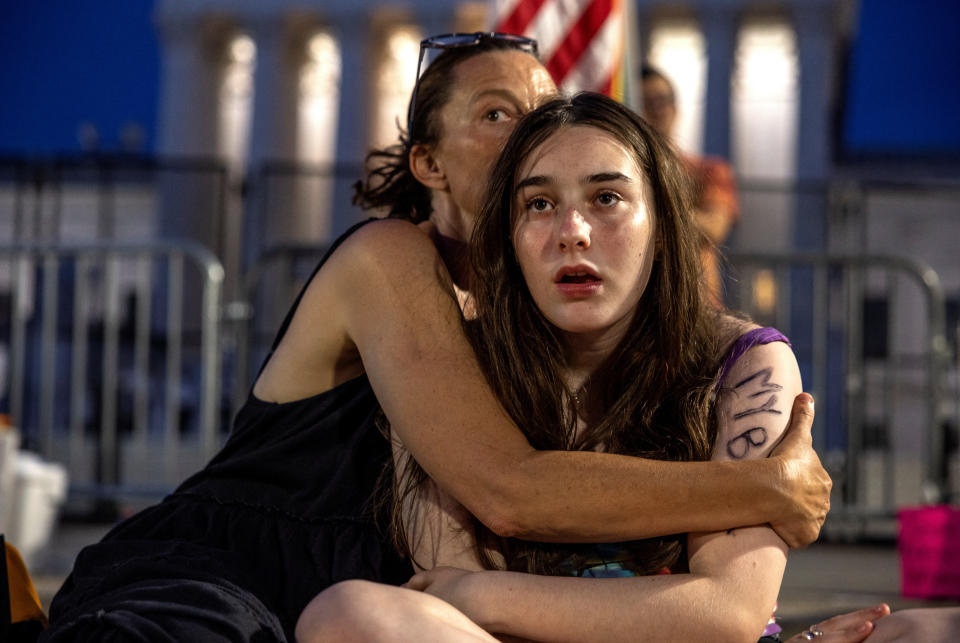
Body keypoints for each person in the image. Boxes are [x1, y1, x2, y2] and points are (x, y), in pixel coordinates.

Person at [41, 35, 828, 642]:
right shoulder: (392, 257)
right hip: (230, 572)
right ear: (428, 162)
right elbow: (509, 489)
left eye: (546, 106)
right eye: (496, 114)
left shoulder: (526, 318)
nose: (533, 127)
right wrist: (762, 486)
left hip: (364, 598)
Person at [298, 93, 888, 643]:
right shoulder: (454, 370)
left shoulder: (743, 363)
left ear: (661, 228)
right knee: (347, 613)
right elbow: (445, 600)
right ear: (510, 238)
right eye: (539, 204)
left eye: (606, 198)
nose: (571, 233)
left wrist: (486, 591)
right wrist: (475, 596)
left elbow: (729, 613)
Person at [641, 64, 739, 307]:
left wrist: (641, 216)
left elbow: (714, 228)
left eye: (661, 100)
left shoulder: (710, 171)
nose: (655, 109)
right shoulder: (620, 175)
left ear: (675, 108)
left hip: (696, 305)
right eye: (644, 101)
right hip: (636, 311)